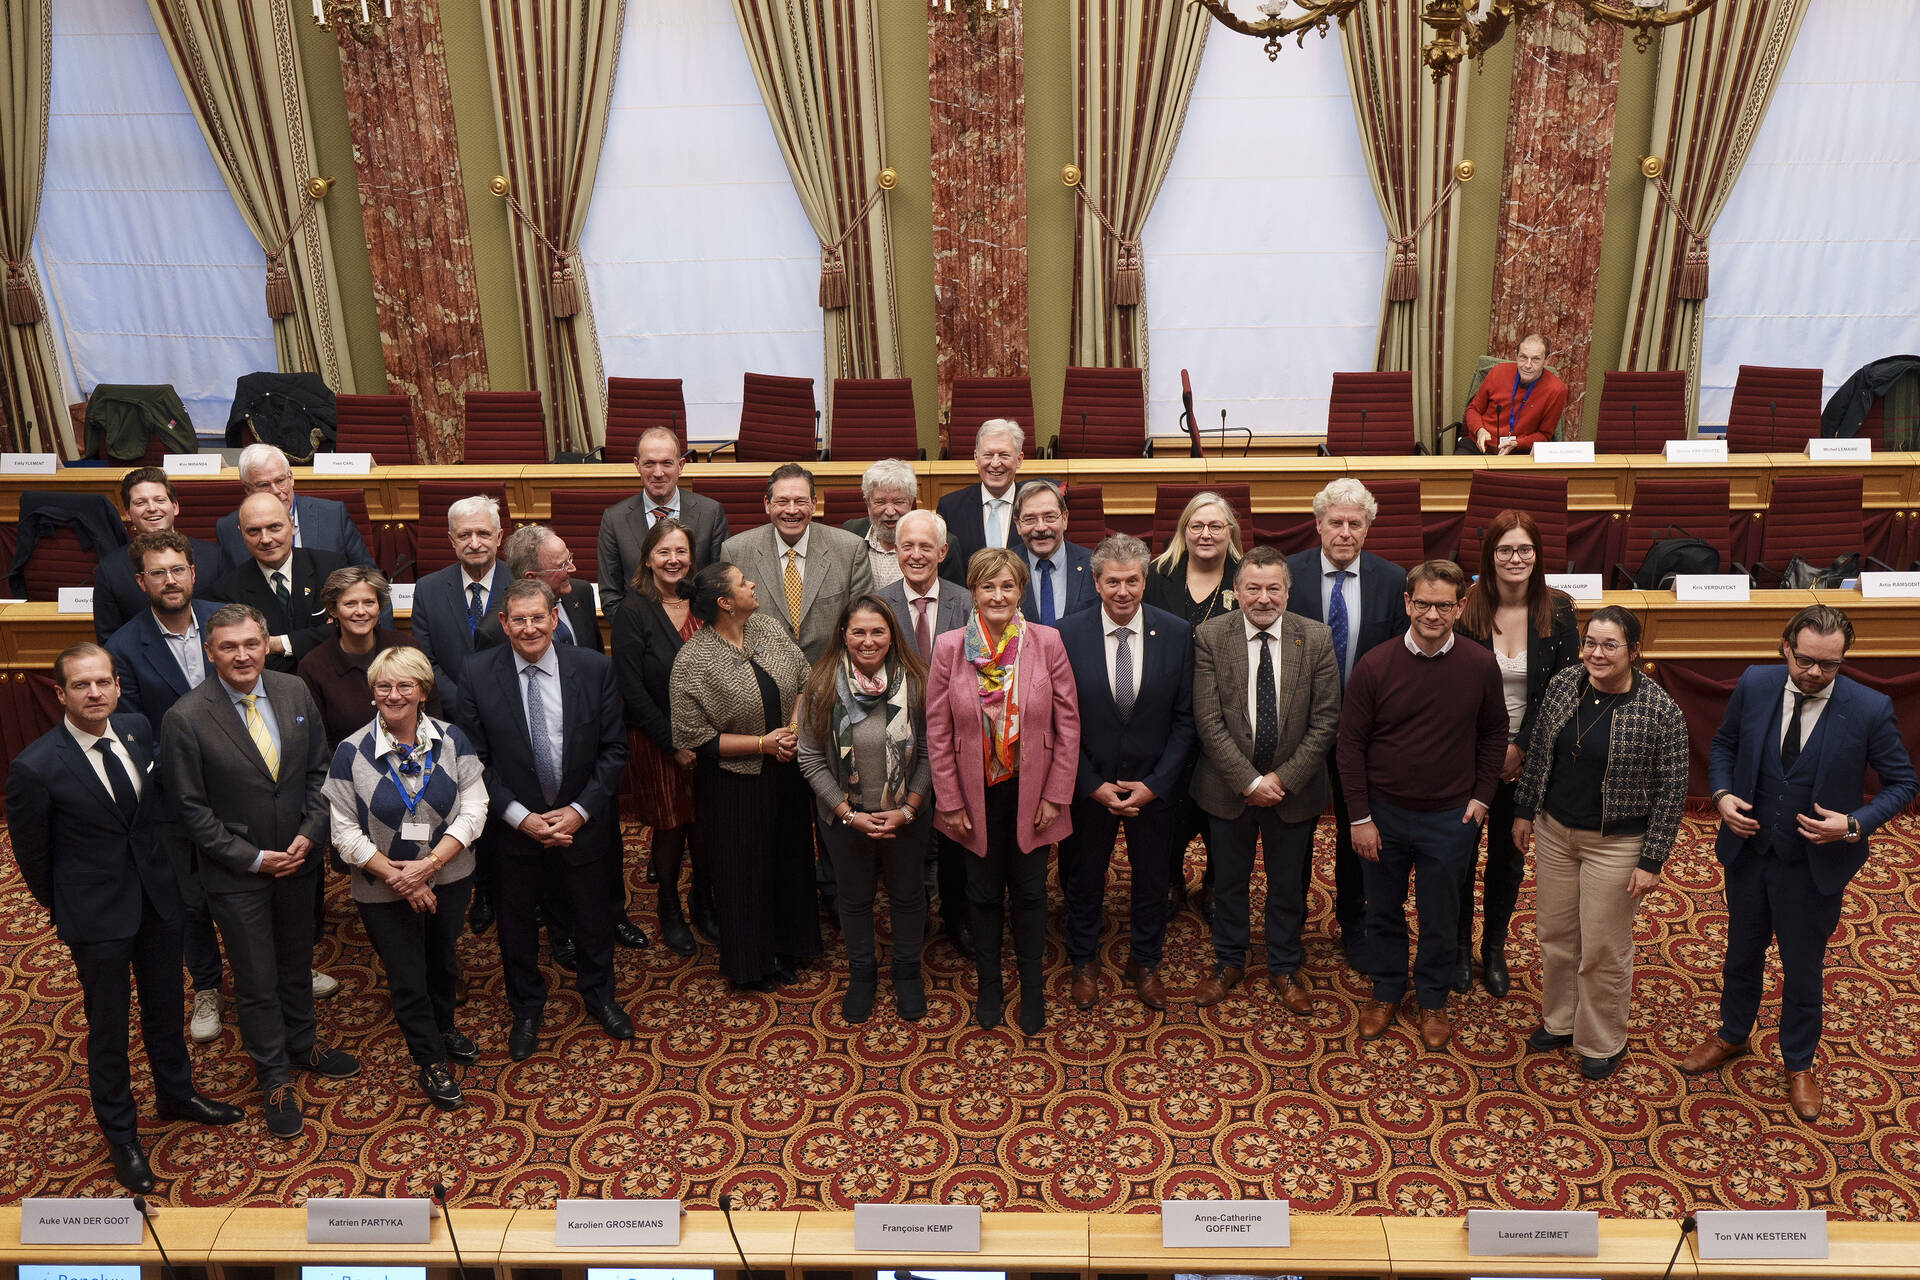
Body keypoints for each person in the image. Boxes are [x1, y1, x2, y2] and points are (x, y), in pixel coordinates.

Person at [6, 644, 244, 1192]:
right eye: (82, 686)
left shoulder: (136, 728)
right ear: (61, 694)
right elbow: (34, 858)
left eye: (103, 683)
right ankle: (122, 1134)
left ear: (117, 686)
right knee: (108, 1029)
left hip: (158, 900)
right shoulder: (35, 767)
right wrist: (69, 905)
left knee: (166, 1006)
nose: (95, 694)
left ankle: (176, 1094)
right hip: (97, 917)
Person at [1684, 605, 1918, 1121]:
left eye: (1829, 665)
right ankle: (1732, 1034)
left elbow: (1904, 784)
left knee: (1803, 966)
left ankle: (1798, 1063)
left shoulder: (1869, 707)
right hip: (1749, 852)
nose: (1815, 673)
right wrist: (1721, 795)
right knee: (1741, 951)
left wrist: (1853, 824)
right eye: (1806, 660)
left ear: (1843, 660)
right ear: (1785, 647)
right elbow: (1723, 744)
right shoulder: (1756, 682)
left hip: (1815, 865)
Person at [160, 604, 358, 1139]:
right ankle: (274, 1077)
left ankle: (304, 1044)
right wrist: (251, 857)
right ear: (210, 651)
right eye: (228, 647)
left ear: (265, 641)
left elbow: (320, 769)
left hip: (298, 860)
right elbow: (190, 810)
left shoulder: (293, 692)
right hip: (237, 874)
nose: (242, 655)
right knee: (254, 978)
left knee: (296, 962)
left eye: (251, 643)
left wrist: (309, 835)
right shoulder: (185, 716)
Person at [456, 580, 632, 1061]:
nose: (529, 628)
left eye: (539, 618)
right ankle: (527, 1007)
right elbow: (473, 760)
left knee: (594, 917)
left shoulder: (593, 668)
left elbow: (615, 750)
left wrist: (578, 812)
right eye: (519, 619)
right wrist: (520, 817)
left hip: (583, 823)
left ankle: (601, 995)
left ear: (555, 619)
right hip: (514, 832)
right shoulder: (476, 673)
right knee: (516, 926)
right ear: (504, 624)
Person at [1512, 606, 1689, 1079]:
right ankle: (1562, 1020)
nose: (1596, 653)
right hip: (1554, 832)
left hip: (1616, 843)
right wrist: (1525, 811)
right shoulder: (1565, 683)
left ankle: (1601, 1039)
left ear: (1634, 650)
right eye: (1590, 642)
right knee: (1555, 934)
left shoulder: (1659, 710)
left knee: (1604, 947)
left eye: (1610, 645)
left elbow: (1673, 791)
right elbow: (1541, 756)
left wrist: (1652, 860)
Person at [1338, 560, 1506, 1050]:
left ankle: (1432, 997)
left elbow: (1495, 732)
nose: (1433, 614)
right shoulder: (1375, 664)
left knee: (1440, 913)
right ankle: (1387, 990)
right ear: (1407, 603)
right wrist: (1360, 817)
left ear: (1461, 607)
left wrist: (1481, 797)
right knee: (1383, 910)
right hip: (1382, 816)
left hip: (1450, 818)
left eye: (1444, 605)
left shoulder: (1479, 663)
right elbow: (1350, 745)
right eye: (1423, 604)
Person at [322, 646, 487, 1110]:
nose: (394, 695)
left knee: (443, 959)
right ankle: (429, 1057)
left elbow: (475, 811)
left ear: (423, 690)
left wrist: (430, 866)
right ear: (373, 693)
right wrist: (399, 877)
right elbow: (343, 831)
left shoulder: (454, 741)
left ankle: (445, 1024)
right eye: (384, 686)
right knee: (407, 974)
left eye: (404, 685)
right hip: (381, 887)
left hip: (451, 874)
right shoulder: (350, 752)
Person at [926, 547, 1079, 1034]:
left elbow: (1068, 724)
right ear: (972, 592)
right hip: (973, 795)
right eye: (987, 586)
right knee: (983, 894)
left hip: (1033, 791)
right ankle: (989, 984)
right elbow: (937, 730)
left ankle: (1032, 987)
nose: (998, 595)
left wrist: (1056, 794)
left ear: (1021, 591)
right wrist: (948, 799)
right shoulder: (951, 647)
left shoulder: (1047, 642)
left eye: (1007, 586)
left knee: (1032, 894)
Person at [1189, 547, 1340, 1011]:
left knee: (1288, 884)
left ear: (1288, 592)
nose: (1263, 598)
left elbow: (1326, 719)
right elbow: (1207, 718)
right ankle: (1230, 960)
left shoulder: (1315, 638)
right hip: (1228, 788)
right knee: (1229, 883)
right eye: (1252, 588)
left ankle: (1284, 965)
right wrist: (1249, 781)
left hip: (1294, 791)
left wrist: (1282, 779)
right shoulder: (1210, 635)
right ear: (1236, 592)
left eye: (1273, 588)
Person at [1057, 536, 1194, 1011]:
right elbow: (1058, 722)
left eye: (1132, 580)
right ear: (1096, 582)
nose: (1122, 590)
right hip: (1088, 784)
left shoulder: (1176, 633)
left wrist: (1156, 785)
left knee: (1154, 879)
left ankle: (1146, 960)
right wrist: (1089, 784)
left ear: (1144, 580)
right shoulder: (1065, 634)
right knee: (1083, 877)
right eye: (1112, 581)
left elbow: (1185, 719)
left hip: (1153, 787)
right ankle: (1083, 960)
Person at [104, 530, 231, 1041]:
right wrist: (191, 768)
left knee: (259, 884)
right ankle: (206, 986)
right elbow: (135, 730)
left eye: (178, 569)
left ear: (193, 573)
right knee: (192, 897)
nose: (170, 580)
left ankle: (281, 970)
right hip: (174, 793)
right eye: (158, 572)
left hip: (246, 780)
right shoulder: (125, 647)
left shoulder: (229, 618)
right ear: (141, 582)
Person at [669, 562, 819, 991]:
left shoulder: (768, 629)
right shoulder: (692, 659)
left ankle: (792, 944)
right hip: (733, 784)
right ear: (725, 602)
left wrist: (790, 732)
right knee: (744, 871)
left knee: (790, 857)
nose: (754, 582)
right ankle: (754, 961)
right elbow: (694, 736)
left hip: (786, 772)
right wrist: (761, 745)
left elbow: (807, 682)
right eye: (743, 581)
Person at [1452, 509, 1580, 996]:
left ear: (1538, 556)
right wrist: (1491, 750)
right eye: (1505, 549)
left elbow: (1564, 689)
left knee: (1509, 857)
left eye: (1525, 549)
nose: (1515, 558)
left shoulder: (1560, 609)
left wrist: (1520, 746)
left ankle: (1494, 948)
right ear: (1490, 556)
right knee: (1462, 855)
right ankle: (1462, 947)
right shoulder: (1467, 609)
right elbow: (1456, 688)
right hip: (1469, 751)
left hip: (1530, 757)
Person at [1286, 478, 1410, 967]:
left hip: (1365, 733)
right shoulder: (1288, 574)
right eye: (1334, 522)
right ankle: (1288, 919)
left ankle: (1353, 917)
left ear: (1367, 529)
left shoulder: (1392, 579)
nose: (1343, 532)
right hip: (1298, 728)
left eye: (1353, 524)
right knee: (1293, 826)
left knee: (1358, 827)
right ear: (1317, 526)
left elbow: (1398, 660)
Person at [797, 595, 934, 1022]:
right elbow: (810, 758)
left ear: (893, 635)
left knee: (908, 897)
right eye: (859, 631)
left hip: (905, 816)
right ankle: (863, 975)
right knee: (853, 900)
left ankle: (908, 974)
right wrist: (847, 813)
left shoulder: (917, 681)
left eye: (878, 631)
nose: (868, 640)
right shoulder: (821, 685)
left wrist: (908, 809)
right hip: (844, 818)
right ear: (843, 634)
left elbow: (931, 753)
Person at [610, 517, 714, 956]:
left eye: (681, 552)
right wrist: (674, 744)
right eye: (664, 552)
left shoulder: (706, 603)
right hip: (657, 742)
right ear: (648, 559)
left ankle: (703, 901)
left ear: (692, 557)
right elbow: (630, 689)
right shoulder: (632, 612)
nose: (674, 560)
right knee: (671, 827)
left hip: (710, 741)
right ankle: (668, 905)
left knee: (708, 827)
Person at [877, 509, 973, 958]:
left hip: (959, 741)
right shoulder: (875, 604)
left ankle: (957, 916)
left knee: (957, 834)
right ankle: (910, 918)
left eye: (925, 547)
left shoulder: (967, 602)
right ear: (895, 552)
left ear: (943, 552)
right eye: (907, 547)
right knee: (908, 838)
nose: (916, 555)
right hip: (899, 742)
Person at [1145, 490, 1244, 920]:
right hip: (1165, 713)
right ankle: (1169, 879)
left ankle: (1217, 882)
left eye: (1215, 526)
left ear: (1230, 533)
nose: (1206, 534)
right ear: (1184, 531)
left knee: (1225, 809)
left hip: (1229, 713)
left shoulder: (1247, 577)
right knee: (1168, 804)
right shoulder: (1155, 574)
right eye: (1196, 525)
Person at [719, 463, 873, 664]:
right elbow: (728, 627)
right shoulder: (735, 552)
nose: (792, 510)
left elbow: (863, 623)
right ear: (767, 504)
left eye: (800, 501)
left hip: (831, 677)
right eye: (782, 501)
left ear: (814, 503)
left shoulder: (850, 549)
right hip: (762, 679)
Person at [299, 567, 440, 748]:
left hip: (417, 761)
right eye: (350, 604)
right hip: (349, 769)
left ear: (380, 606)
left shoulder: (407, 647)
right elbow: (320, 741)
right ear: (333, 610)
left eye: (369, 602)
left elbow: (432, 708)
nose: (361, 611)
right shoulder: (314, 667)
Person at [597, 426, 730, 616]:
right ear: (637, 465)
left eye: (667, 463)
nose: (658, 473)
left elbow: (721, 584)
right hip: (639, 637)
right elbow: (610, 594)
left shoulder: (711, 513)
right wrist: (635, 633)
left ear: (681, 465)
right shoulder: (614, 519)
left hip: (700, 633)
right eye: (649, 463)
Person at [211, 493, 350, 674]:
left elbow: (351, 629)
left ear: (292, 525)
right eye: (254, 531)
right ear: (242, 534)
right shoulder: (228, 590)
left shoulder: (330, 567)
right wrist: (319, 634)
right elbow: (249, 658)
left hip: (334, 677)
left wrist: (278, 644)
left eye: (274, 527)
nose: (266, 539)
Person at [93, 467, 226, 641]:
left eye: (159, 500)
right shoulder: (111, 570)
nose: (152, 508)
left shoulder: (213, 557)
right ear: (128, 513)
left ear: (175, 506)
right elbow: (109, 640)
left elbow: (229, 620)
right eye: (140, 503)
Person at [409, 494, 514, 713]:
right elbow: (426, 662)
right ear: (452, 540)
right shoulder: (428, 590)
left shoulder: (521, 584)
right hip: (452, 715)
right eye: (465, 535)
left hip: (513, 710)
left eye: (483, 534)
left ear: (499, 537)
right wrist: (464, 704)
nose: (474, 544)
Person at [215, 442, 375, 571]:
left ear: (291, 478)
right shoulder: (228, 528)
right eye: (264, 485)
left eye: (280, 481)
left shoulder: (333, 516)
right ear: (248, 490)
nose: (276, 491)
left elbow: (368, 576)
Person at [477, 524, 604, 654]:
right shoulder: (493, 631)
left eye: (569, 558)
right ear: (531, 578)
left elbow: (597, 657)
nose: (572, 568)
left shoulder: (581, 592)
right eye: (562, 566)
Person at [936, 418, 1025, 578]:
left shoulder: (1034, 506)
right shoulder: (950, 508)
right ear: (976, 458)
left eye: (1004, 455)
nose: (996, 463)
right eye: (988, 455)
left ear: (1019, 460)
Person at [1462, 333, 1567, 455]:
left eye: (1536, 359)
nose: (1528, 365)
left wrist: (1518, 443)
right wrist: (1479, 430)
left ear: (1546, 361)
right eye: (1523, 357)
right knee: (1455, 473)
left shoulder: (1557, 389)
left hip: (1518, 450)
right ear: (1516, 356)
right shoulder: (1498, 372)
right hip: (1479, 444)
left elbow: (1544, 435)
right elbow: (1473, 409)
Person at [1012, 479, 1096, 624]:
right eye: (1030, 519)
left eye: (1049, 517)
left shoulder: (1093, 565)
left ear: (1065, 519)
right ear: (1018, 525)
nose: (1040, 528)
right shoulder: (1006, 567)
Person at [840, 458, 916, 590]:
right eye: (880, 502)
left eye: (898, 502)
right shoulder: (849, 534)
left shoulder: (934, 543)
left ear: (911, 502)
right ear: (867, 503)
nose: (890, 512)